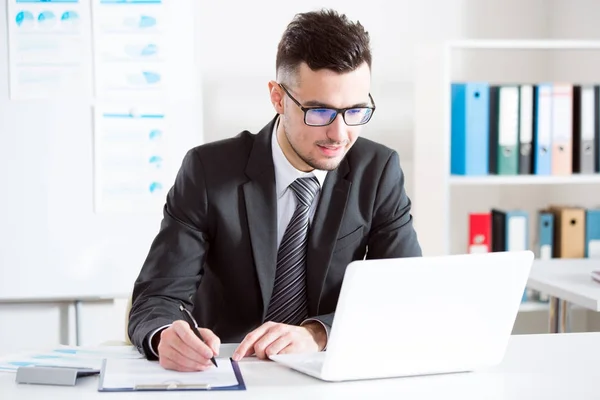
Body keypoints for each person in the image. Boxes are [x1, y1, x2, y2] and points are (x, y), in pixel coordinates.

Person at [128, 8, 422, 372]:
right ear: (277, 98)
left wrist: (317, 334)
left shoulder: (377, 172)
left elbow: (404, 295)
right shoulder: (208, 171)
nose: (340, 133)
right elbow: (156, 297)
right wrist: (163, 336)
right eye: (320, 112)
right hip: (227, 373)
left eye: (355, 111)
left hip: (329, 373)